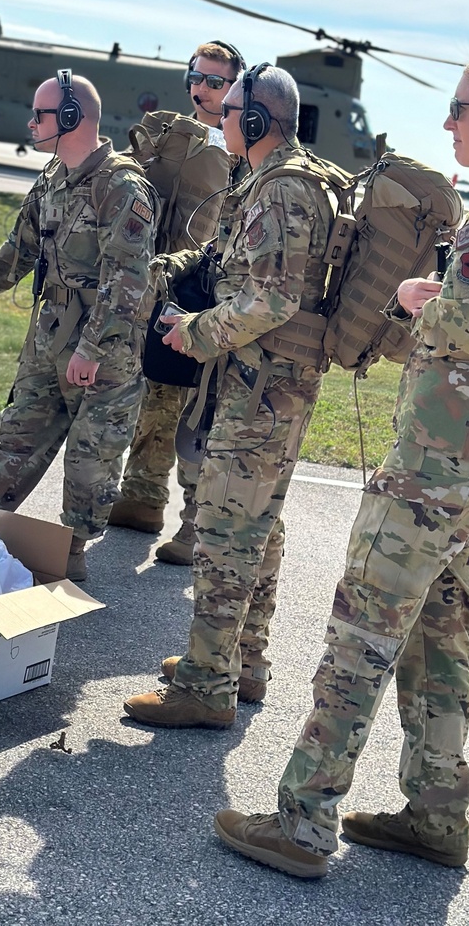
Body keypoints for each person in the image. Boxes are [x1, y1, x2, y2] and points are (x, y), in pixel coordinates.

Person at [215, 53, 469, 880]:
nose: (449, 122)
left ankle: (303, 821)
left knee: (363, 627)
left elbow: (468, 327)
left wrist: (421, 299)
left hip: (440, 456)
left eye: (461, 107)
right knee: (438, 625)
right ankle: (435, 812)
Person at [123, 63, 337, 726]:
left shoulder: (282, 191)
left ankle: (204, 684)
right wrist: (172, 269)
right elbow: (225, 259)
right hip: (270, 386)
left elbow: (270, 299)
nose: (218, 120)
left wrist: (192, 331)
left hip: (258, 389)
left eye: (230, 111)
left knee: (224, 530)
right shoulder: (271, 181)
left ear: (254, 119)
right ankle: (243, 660)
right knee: (259, 526)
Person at [0, 70, 156, 582]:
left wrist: (91, 348)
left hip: (104, 349)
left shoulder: (122, 186)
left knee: (92, 456)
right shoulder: (51, 179)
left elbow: (128, 278)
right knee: (19, 435)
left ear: (69, 118)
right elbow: (21, 245)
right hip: (49, 335)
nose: (31, 122)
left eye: (40, 114)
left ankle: (74, 551)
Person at [108, 40, 244, 564]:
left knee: (201, 406)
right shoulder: (168, 133)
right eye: (198, 77)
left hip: (211, 291)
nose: (204, 88)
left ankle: (196, 523)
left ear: (235, 86)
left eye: (216, 81)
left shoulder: (241, 145)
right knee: (154, 389)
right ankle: (142, 495)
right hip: (160, 279)